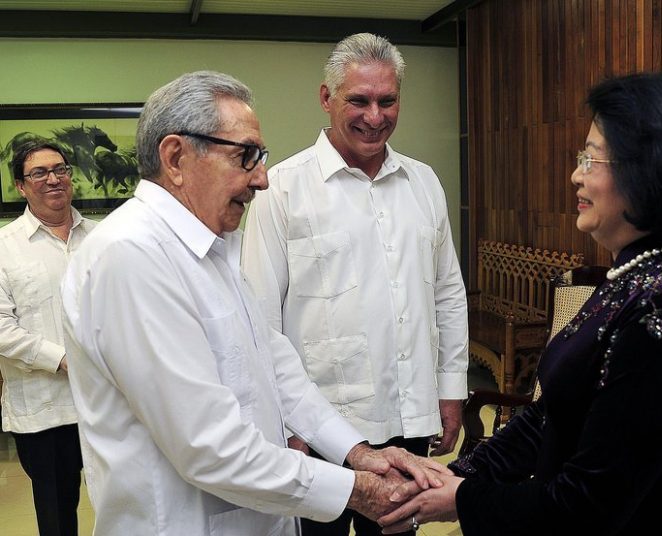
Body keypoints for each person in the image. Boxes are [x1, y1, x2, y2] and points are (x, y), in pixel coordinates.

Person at [60, 71, 448, 536]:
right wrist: (357, 490)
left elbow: (276, 368)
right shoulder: (130, 257)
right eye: (246, 156)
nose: (262, 179)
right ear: (176, 156)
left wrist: (358, 452)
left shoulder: (213, 247)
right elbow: (210, 447)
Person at [378, 73, 662, 535]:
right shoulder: (641, 275)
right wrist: (459, 475)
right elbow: (552, 413)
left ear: (655, 169)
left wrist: (460, 498)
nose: (576, 173)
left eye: (592, 158)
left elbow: (589, 504)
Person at [241, 32, 468, 536]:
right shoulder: (281, 189)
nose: (375, 115)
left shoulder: (423, 182)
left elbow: (447, 293)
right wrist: (287, 423)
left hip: (408, 414)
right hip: (322, 426)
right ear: (327, 98)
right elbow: (260, 316)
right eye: (358, 100)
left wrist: (450, 391)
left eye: (387, 100)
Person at [0, 140, 96, 536]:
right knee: (57, 517)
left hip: (110, 404)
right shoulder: (5, 248)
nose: (53, 179)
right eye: (38, 173)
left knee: (129, 502)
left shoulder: (104, 238)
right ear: (21, 186)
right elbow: (3, 330)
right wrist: (65, 360)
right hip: (45, 409)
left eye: (60, 169)